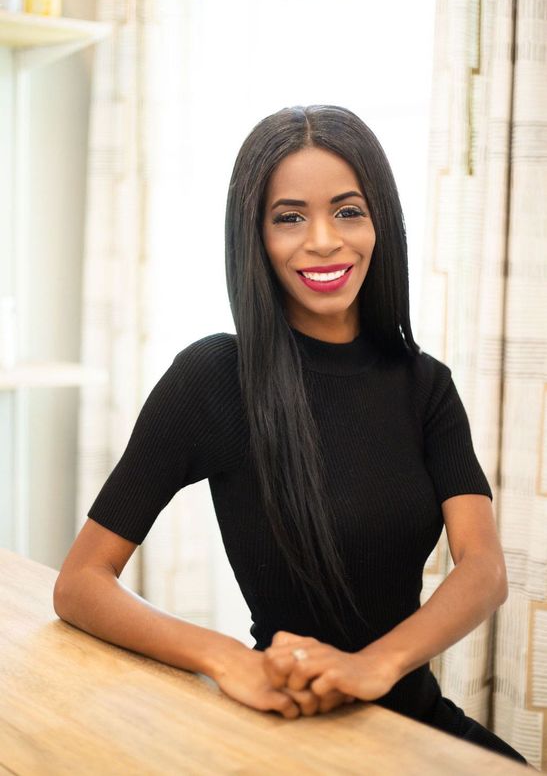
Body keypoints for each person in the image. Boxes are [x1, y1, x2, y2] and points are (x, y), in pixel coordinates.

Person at [54, 105, 529, 766]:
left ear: (379, 223)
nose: (323, 241)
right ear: (255, 236)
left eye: (347, 210)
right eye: (289, 217)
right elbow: (80, 583)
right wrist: (224, 659)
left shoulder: (424, 385)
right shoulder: (213, 377)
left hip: (408, 720)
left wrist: (374, 665)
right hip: (279, 720)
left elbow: (482, 568)